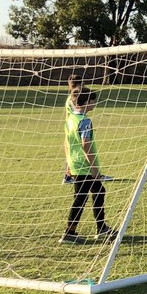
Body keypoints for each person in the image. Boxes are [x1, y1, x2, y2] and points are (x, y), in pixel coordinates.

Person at [61, 87, 115, 244]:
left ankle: (101, 228)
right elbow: (86, 144)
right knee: (81, 198)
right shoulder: (85, 121)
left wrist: (68, 163)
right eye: (93, 101)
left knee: (98, 191)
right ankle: (70, 233)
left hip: (75, 163)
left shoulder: (71, 119)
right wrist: (94, 167)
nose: (95, 104)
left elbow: (66, 142)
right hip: (85, 166)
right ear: (86, 102)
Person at [63, 72, 83, 183]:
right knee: (74, 151)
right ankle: (68, 175)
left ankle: (70, 175)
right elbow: (77, 112)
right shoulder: (73, 99)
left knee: (72, 151)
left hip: (70, 126)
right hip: (73, 127)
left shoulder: (71, 98)